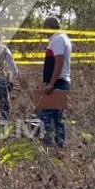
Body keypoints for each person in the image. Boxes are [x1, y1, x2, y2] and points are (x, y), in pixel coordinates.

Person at [39, 15, 73, 148]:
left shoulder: (57, 39)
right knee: (58, 117)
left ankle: (49, 149)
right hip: (61, 82)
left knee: (46, 117)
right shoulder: (63, 38)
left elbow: (58, 62)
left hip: (58, 83)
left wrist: (51, 84)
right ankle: (59, 148)